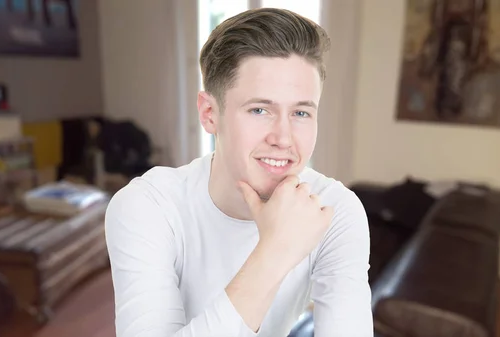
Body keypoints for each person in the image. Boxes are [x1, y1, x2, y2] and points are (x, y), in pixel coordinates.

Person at [104, 7, 373, 337]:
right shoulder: (147, 206)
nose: (284, 138)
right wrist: (274, 252)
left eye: (301, 112)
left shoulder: (335, 211)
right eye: (260, 109)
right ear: (209, 113)